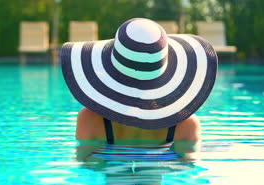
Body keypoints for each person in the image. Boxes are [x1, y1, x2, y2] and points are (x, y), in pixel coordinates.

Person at [60, 18, 218, 159]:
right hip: (160, 172)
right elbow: (189, 171)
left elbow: (85, 163)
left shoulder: (89, 120)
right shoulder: (186, 124)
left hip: (112, 175)